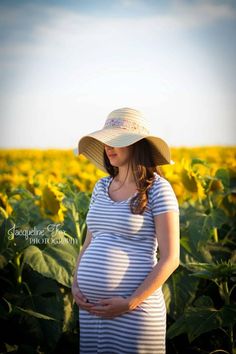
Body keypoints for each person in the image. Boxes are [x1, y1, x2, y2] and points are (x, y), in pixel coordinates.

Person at [72, 107, 180, 354]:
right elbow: (89, 242)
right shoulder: (100, 187)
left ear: (137, 145)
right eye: (106, 141)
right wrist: (76, 282)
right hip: (92, 313)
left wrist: (130, 302)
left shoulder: (157, 190)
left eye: (117, 141)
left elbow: (171, 258)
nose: (109, 147)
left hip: (135, 313)